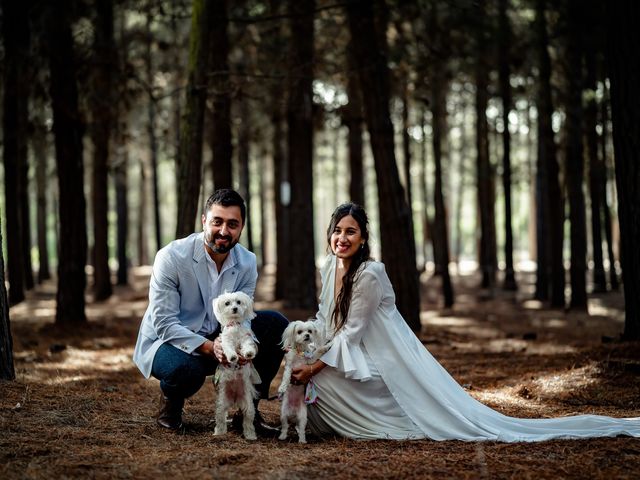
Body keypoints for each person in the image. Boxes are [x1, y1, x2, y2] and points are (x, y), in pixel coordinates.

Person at [292, 202, 640, 441]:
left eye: (351, 231)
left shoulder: (369, 274)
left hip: (384, 362)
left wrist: (314, 369)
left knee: (321, 381)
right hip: (346, 352)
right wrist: (307, 348)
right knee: (302, 365)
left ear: (364, 239)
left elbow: (352, 333)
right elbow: (326, 318)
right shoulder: (329, 267)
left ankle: (383, 421)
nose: (342, 238)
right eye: (337, 230)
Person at [133, 189, 287, 434]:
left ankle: (248, 413)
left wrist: (244, 343)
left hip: (221, 335)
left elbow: (245, 314)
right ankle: (170, 406)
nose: (224, 231)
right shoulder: (171, 257)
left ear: (242, 227)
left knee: (276, 325)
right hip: (168, 341)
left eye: (233, 224)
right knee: (186, 371)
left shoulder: (247, 261)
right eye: (217, 222)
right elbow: (163, 322)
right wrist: (209, 347)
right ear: (204, 220)